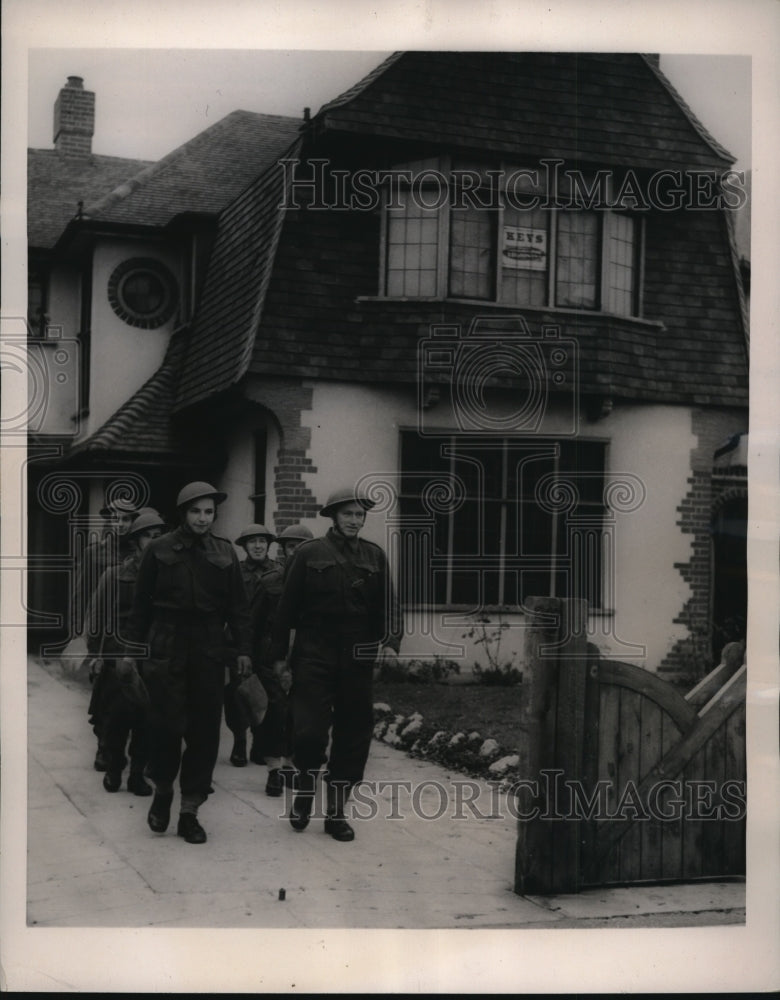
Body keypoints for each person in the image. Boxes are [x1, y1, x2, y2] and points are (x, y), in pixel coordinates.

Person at [119, 482, 252, 845]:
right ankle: (163, 790)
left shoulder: (225, 552)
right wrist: (131, 653)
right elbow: (140, 608)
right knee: (165, 727)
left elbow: (239, 609)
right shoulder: (159, 550)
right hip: (165, 645)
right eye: (196, 511)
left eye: (209, 512)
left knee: (205, 733)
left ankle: (190, 810)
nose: (203, 518)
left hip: (209, 649)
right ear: (183, 513)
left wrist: (242, 650)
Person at [270, 486, 402, 842]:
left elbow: (389, 604)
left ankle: (336, 813)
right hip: (315, 651)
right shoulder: (309, 553)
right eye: (348, 514)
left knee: (353, 735)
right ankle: (304, 791)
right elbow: (285, 610)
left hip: (357, 654)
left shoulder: (374, 556)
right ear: (333, 516)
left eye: (360, 515)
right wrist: (280, 657)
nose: (355, 521)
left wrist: (390, 642)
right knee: (309, 731)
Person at [84, 510, 166, 795]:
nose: (153, 542)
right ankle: (115, 765)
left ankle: (137, 775)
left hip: (152, 658)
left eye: (158, 537)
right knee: (116, 719)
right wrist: (95, 653)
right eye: (147, 537)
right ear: (136, 540)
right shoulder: (114, 575)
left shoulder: (166, 577)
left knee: (147, 720)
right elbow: (97, 615)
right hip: (118, 656)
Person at [230, 525, 296, 797]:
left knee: (294, 711)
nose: (257, 546)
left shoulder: (315, 579)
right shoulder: (265, 579)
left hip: (303, 654)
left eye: (262, 541)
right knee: (258, 704)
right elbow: (247, 618)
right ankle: (249, 747)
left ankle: (287, 762)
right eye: (291, 547)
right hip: (262, 650)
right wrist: (244, 651)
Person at [78, 497, 139, 771]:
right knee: (103, 695)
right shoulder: (95, 553)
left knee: (128, 697)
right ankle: (104, 747)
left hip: (129, 634)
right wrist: (84, 636)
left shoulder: (141, 555)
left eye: (126, 519)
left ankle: (121, 748)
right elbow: (82, 596)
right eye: (116, 518)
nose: (121, 524)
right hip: (102, 633)